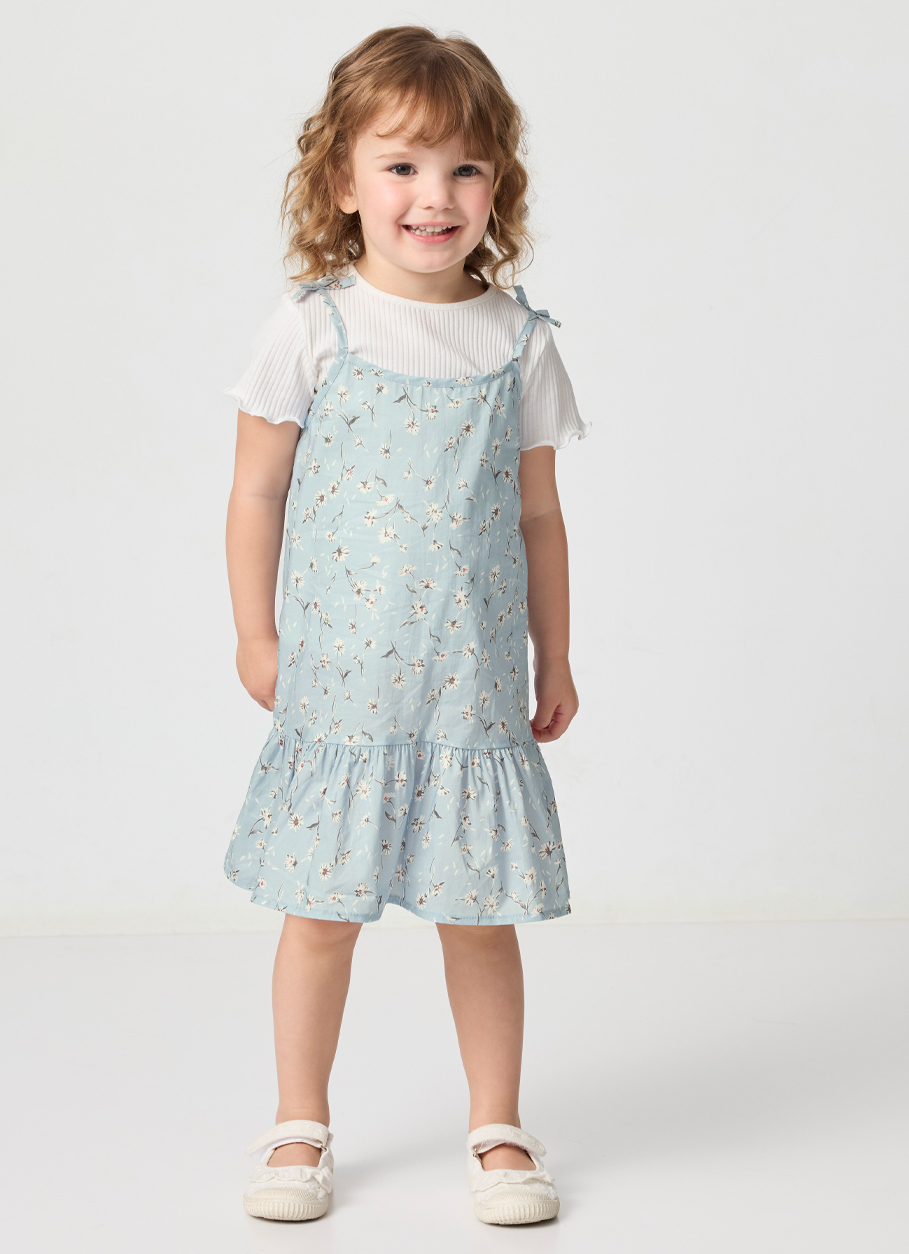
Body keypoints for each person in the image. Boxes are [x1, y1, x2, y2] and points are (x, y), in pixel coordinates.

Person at [222, 25, 590, 1226]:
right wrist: (256, 636)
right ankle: (298, 1123)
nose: (434, 196)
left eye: (464, 168)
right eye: (401, 166)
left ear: (498, 187)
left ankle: (497, 1126)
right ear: (342, 181)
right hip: (343, 688)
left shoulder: (519, 342)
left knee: (478, 921)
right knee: (320, 917)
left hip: (468, 689)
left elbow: (537, 517)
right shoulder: (312, 331)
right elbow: (256, 492)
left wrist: (554, 653)